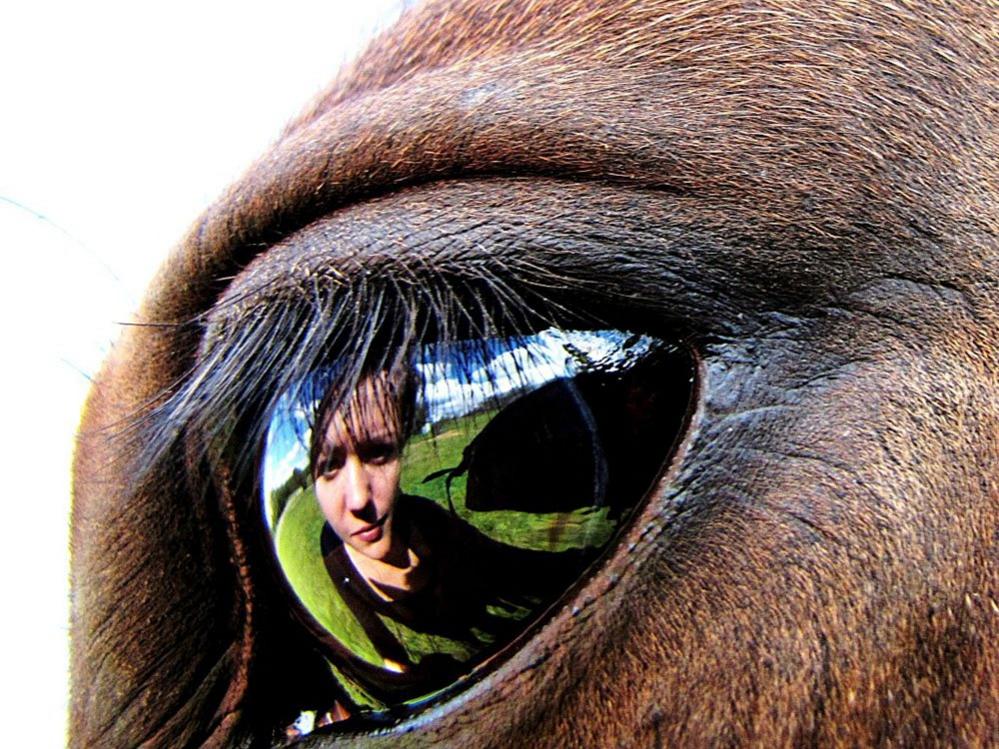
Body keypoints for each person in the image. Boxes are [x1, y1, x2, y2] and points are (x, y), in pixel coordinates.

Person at [306, 363, 593, 710]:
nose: (358, 499)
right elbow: (374, 637)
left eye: (379, 453)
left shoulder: (428, 521)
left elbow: (511, 564)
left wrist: (589, 558)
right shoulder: (331, 554)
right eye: (329, 466)